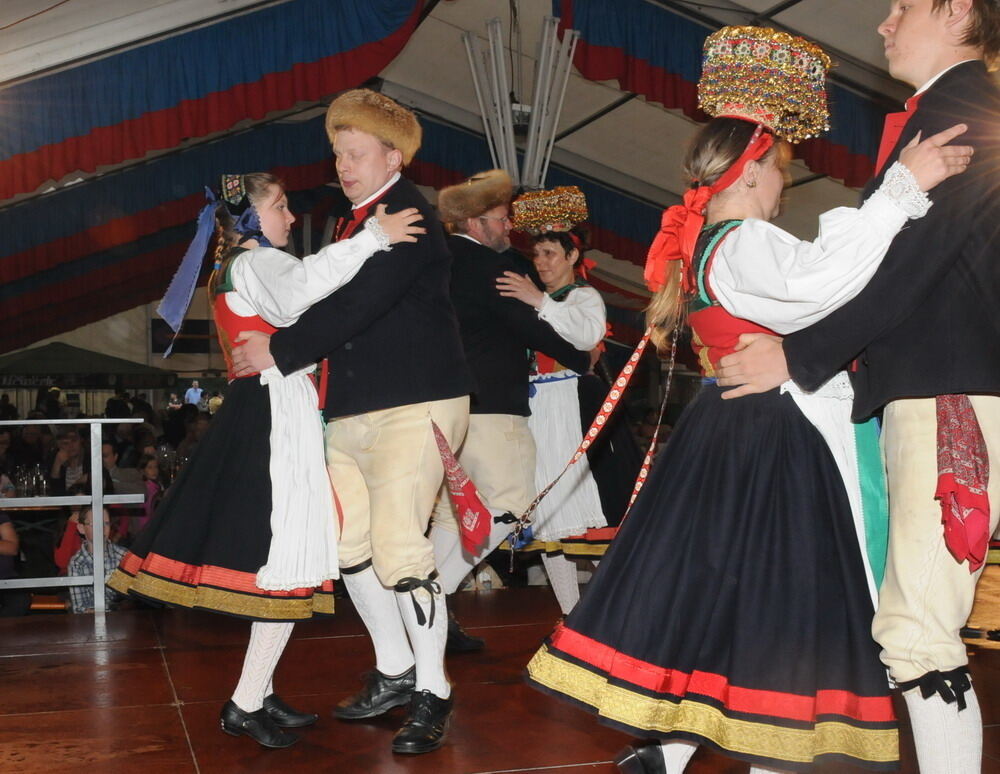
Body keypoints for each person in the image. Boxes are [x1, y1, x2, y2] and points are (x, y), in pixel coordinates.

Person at [525, 25, 972, 774]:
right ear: (751, 170)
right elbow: (825, 281)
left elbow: (823, 283)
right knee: (783, 604)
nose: (786, 184)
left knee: (728, 597)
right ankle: (755, 752)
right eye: (781, 169)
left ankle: (669, 753)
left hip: (738, 436)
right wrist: (903, 189)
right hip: (777, 439)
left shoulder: (717, 245)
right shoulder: (742, 242)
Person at [714, 3, 999, 771]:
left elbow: (911, 268)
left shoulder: (964, 109)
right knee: (916, 621)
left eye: (904, 5)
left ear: (958, 11)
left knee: (918, 627)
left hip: (947, 388)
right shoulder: (956, 107)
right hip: (939, 383)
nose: (883, 23)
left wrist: (798, 357)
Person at [108, 171, 424, 749]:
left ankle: (261, 690)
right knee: (290, 555)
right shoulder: (257, 264)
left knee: (291, 555)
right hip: (278, 410)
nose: (291, 217)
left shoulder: (234, 269)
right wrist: (372, 237)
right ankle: (246, 701)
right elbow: (305, 284)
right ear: (252, 220)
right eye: (280, 207)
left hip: (271, 405)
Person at [230, 89, 473, 755]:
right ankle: (395, 669)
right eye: (338, 153)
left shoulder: (409, 213)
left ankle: (434, 689)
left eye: (356, 153)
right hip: (353, 409)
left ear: (393, 156)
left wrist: (277, 352)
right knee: (347, 547)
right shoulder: (356, 222)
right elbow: (320, 294)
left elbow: (359, 305)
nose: (342, 165)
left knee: (399, 546)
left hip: (416, 403)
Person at [425, 170, 592, 649]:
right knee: (510, 505)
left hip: (444, 409)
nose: (507, 229)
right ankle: (436, 595)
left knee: (449, 516)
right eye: (500, 219)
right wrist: (584, 358)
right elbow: (532, 328)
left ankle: (424, 618)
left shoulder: (434, 263)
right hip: (494, 409)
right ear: (475, 223)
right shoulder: (493, 268)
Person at [497, 187, 642, 616]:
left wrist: (539, 302)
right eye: (537, 254)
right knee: (550, 519)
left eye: (550, 254)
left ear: (573, 257)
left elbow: (583, 337)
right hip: (538, 409)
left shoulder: (583, 297)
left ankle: (609, 611)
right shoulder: (535, 303)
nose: (542, 263)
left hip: (577, 405)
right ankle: (571, 614)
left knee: (594, 512)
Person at [67, 506, 126, 613]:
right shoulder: (76, 563)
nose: (102, 528)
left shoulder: (123, 556)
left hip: (121, 619)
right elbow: (80, 609)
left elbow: (131, 599)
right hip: (89, 623)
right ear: (81, 528)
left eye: (106, 523)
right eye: (95, 524)